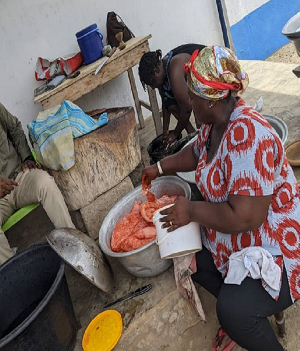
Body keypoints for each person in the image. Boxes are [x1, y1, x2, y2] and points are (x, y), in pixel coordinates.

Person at [142, 45, 300, 351]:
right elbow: (194, 153)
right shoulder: (213, 124)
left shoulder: (248, 133)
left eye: (192, 95)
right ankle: (245, 312)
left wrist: (190, 210)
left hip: (278, 246)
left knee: (230, 311)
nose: (187, 100)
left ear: (211, 99)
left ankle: (243, 317)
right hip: (239, 233)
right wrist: (158, 168)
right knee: (192, 258)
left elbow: (246, 217)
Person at [0, 103, 75, 265]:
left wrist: (27, 157)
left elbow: (14, 128)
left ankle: (74, 245)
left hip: (18, 178)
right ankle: (13, 277)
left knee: (45, 183)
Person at [138, 44, 206, 147]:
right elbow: (166, 103)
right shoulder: (162, 70)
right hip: (199, 83)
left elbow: (187, 109)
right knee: (171, 103)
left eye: (151, 83)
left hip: (211, 73)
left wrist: (175, 133)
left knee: (198, 112)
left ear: (156, 71)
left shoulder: (174, 69)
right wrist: (165, 131)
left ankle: (204, 136)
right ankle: (192, 134)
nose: (152, 87)